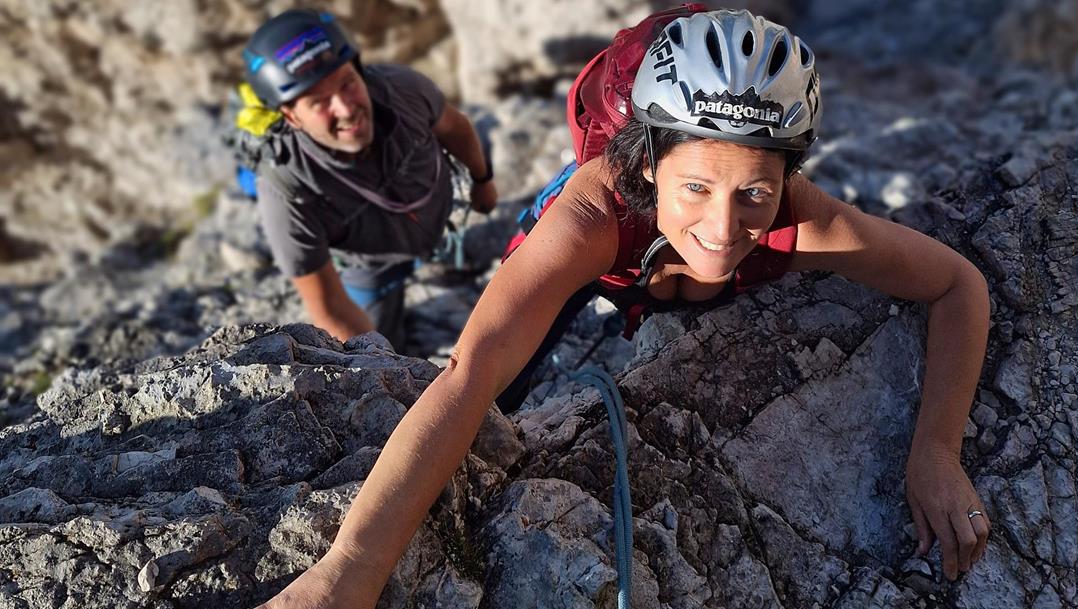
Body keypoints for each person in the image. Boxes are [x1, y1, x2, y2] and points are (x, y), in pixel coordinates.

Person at [257, 9, 991, 608]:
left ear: (788, 178)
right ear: (647, 162)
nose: (724, 226)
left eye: (755, 193)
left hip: (642, 260)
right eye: (696, 186)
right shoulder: (589, 217)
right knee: (496, 398)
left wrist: (937, 449)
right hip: (609, 259)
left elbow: (958, 286)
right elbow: (469, 372)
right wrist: (348, 570)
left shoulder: (802, 219)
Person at [242, 9, 497, 350]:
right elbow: (329, 305)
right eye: (319, 102)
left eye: (347, 83)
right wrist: (388, 367)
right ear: (291, 116)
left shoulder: (402, 89)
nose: (346, 108)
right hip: (371, 265)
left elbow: (456, 128)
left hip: (435, 218)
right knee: (376, 335)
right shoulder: (284, 187)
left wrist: (483, 181)